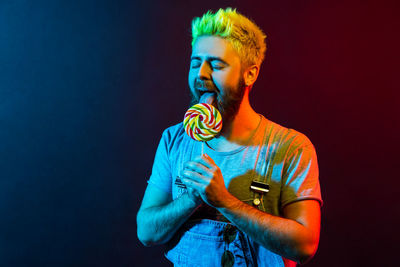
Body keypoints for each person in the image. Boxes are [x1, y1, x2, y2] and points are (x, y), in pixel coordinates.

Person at [137, 8, 322, 267]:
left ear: (250, 73)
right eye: (195, 62)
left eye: (216, 64)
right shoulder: (174, 140)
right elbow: (146, 232)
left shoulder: (290, 147)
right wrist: (191, 198)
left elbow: (304, 246)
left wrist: (224, 201)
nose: (201, 73)